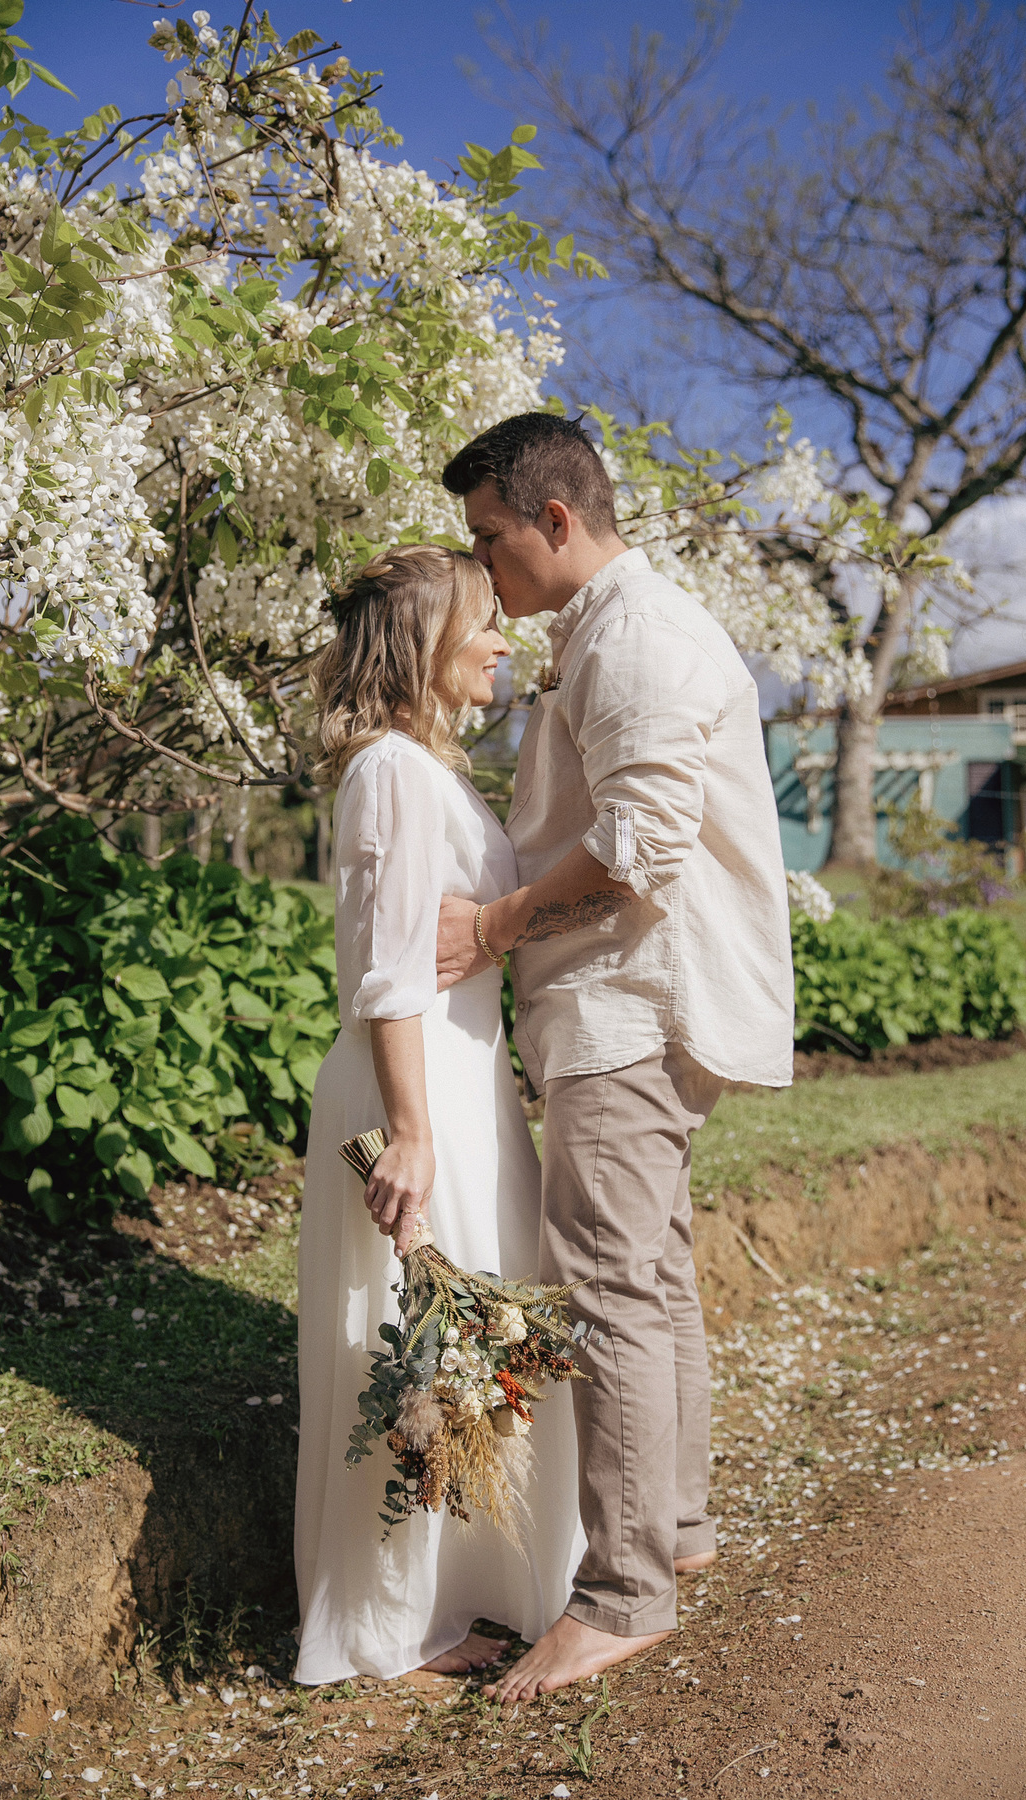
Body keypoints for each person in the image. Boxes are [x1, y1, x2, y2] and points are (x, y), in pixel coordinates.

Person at [436, 413, 794, 1702]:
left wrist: (490, 926)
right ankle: (677, 1530)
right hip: (629, 1003)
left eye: (490, 539)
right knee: (652, 1271)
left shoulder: (635, 637)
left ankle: (623, 1590)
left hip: (630, 1006)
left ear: (555, 522)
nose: (484, 572)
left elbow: (642, 842)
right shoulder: (606, 631)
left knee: (607, 1289)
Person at [293, 544, 586, 1685]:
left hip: (467, 1082)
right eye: (483, 623)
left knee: (461, 1343)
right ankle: (383, 1626)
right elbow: (389, 973)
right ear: (423, 644)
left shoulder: (429, 769)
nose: (505, 639)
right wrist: (411, 1133)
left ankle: (468, 1586)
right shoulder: (390, 775)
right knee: (405, 1341)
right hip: (414, 1091)